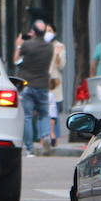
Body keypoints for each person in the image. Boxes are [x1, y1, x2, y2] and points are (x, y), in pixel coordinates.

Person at [14, 20, 54, 156]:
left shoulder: (27, 45)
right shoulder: (50, 47)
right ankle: (46, 136)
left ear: (33, 31)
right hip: (43, 84)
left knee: (27, 117)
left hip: (27, 85)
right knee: (44, 114)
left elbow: (16, 61)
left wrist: (18, 46)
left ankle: (30, 149)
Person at [44, 23, 67, 154]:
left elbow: (61, 66)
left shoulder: (60, 46)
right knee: (43, 109)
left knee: (54, 111)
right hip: (42, 81)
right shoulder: (41, 45)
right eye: (46, 30)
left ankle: (54, 137)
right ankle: (44, 137)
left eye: (50, 30)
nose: (48, 33)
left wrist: (57, 54)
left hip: (54, 83)